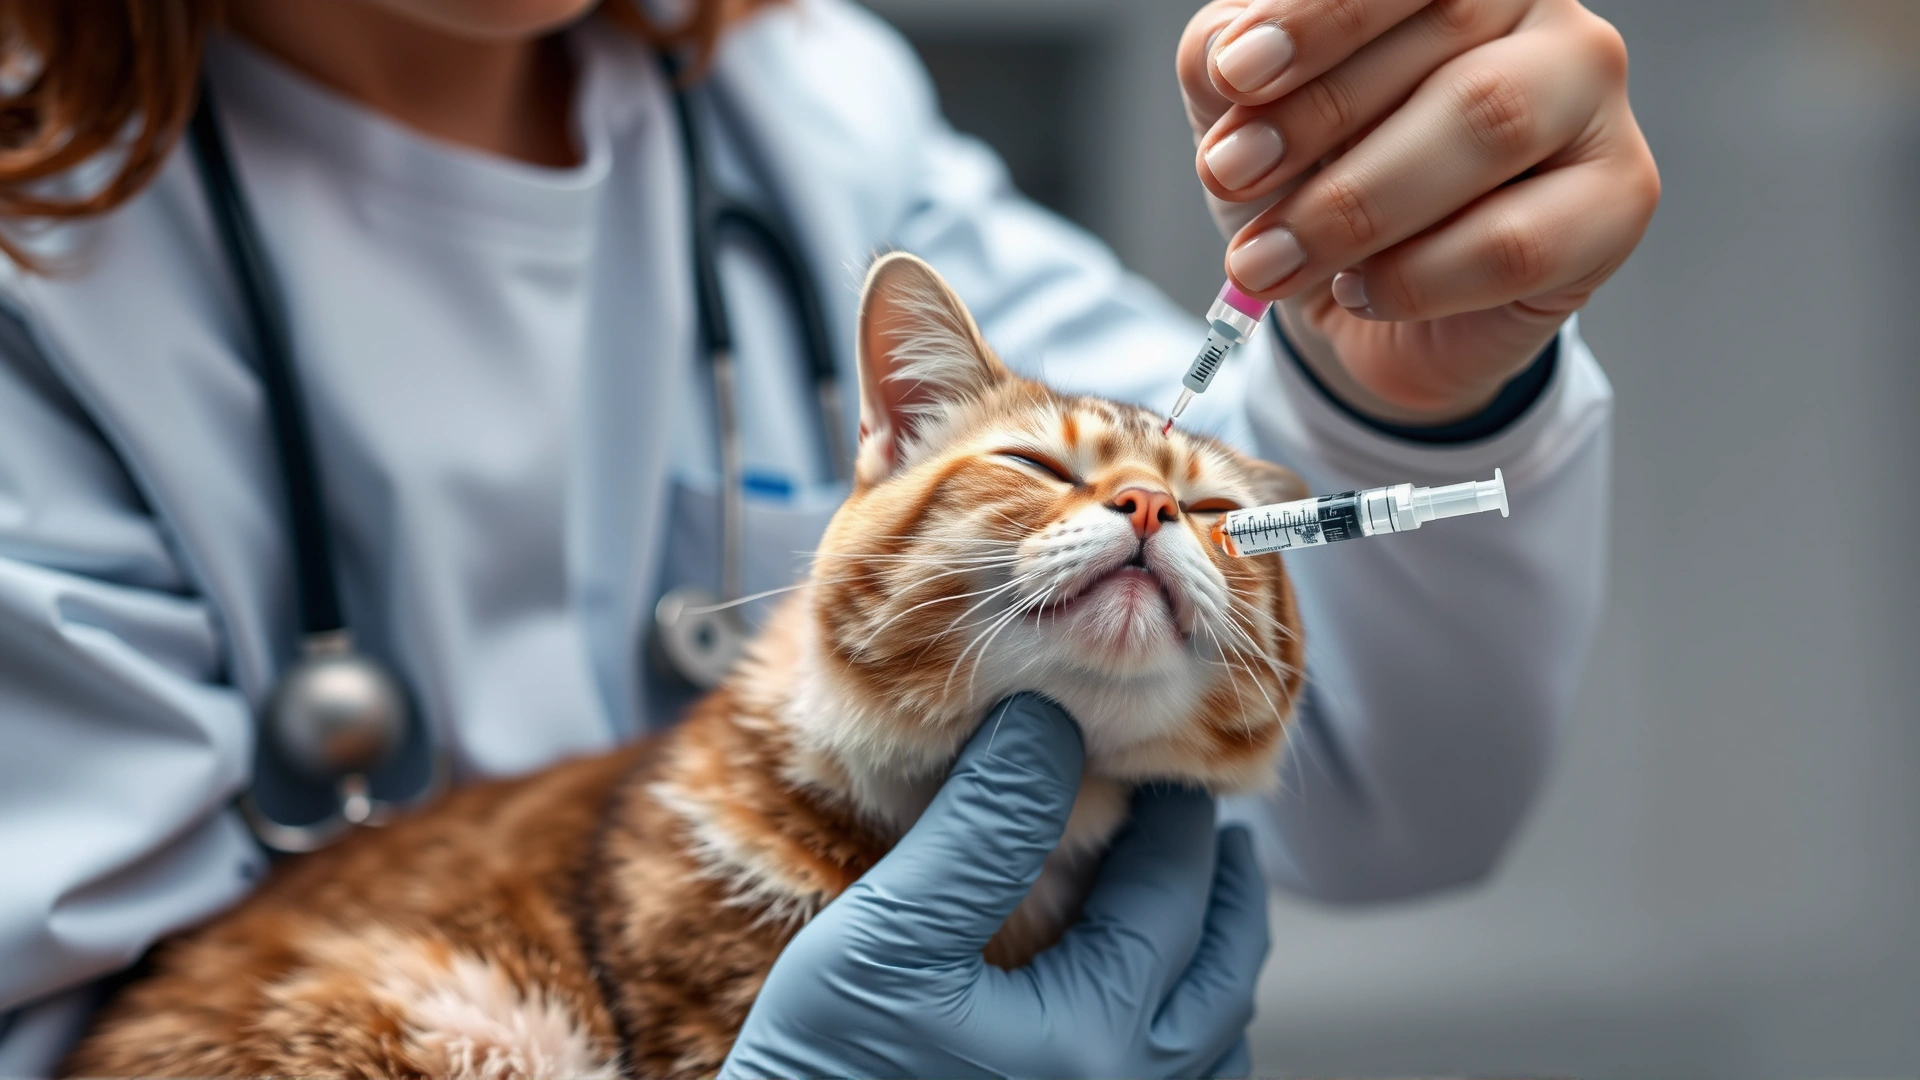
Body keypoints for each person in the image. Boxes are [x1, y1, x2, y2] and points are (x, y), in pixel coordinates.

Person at [0, 0, 1656, 1074]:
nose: (1148, 508)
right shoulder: (41, 220)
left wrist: (1415, 385)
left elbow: (1366, 771)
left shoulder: (801, 102)